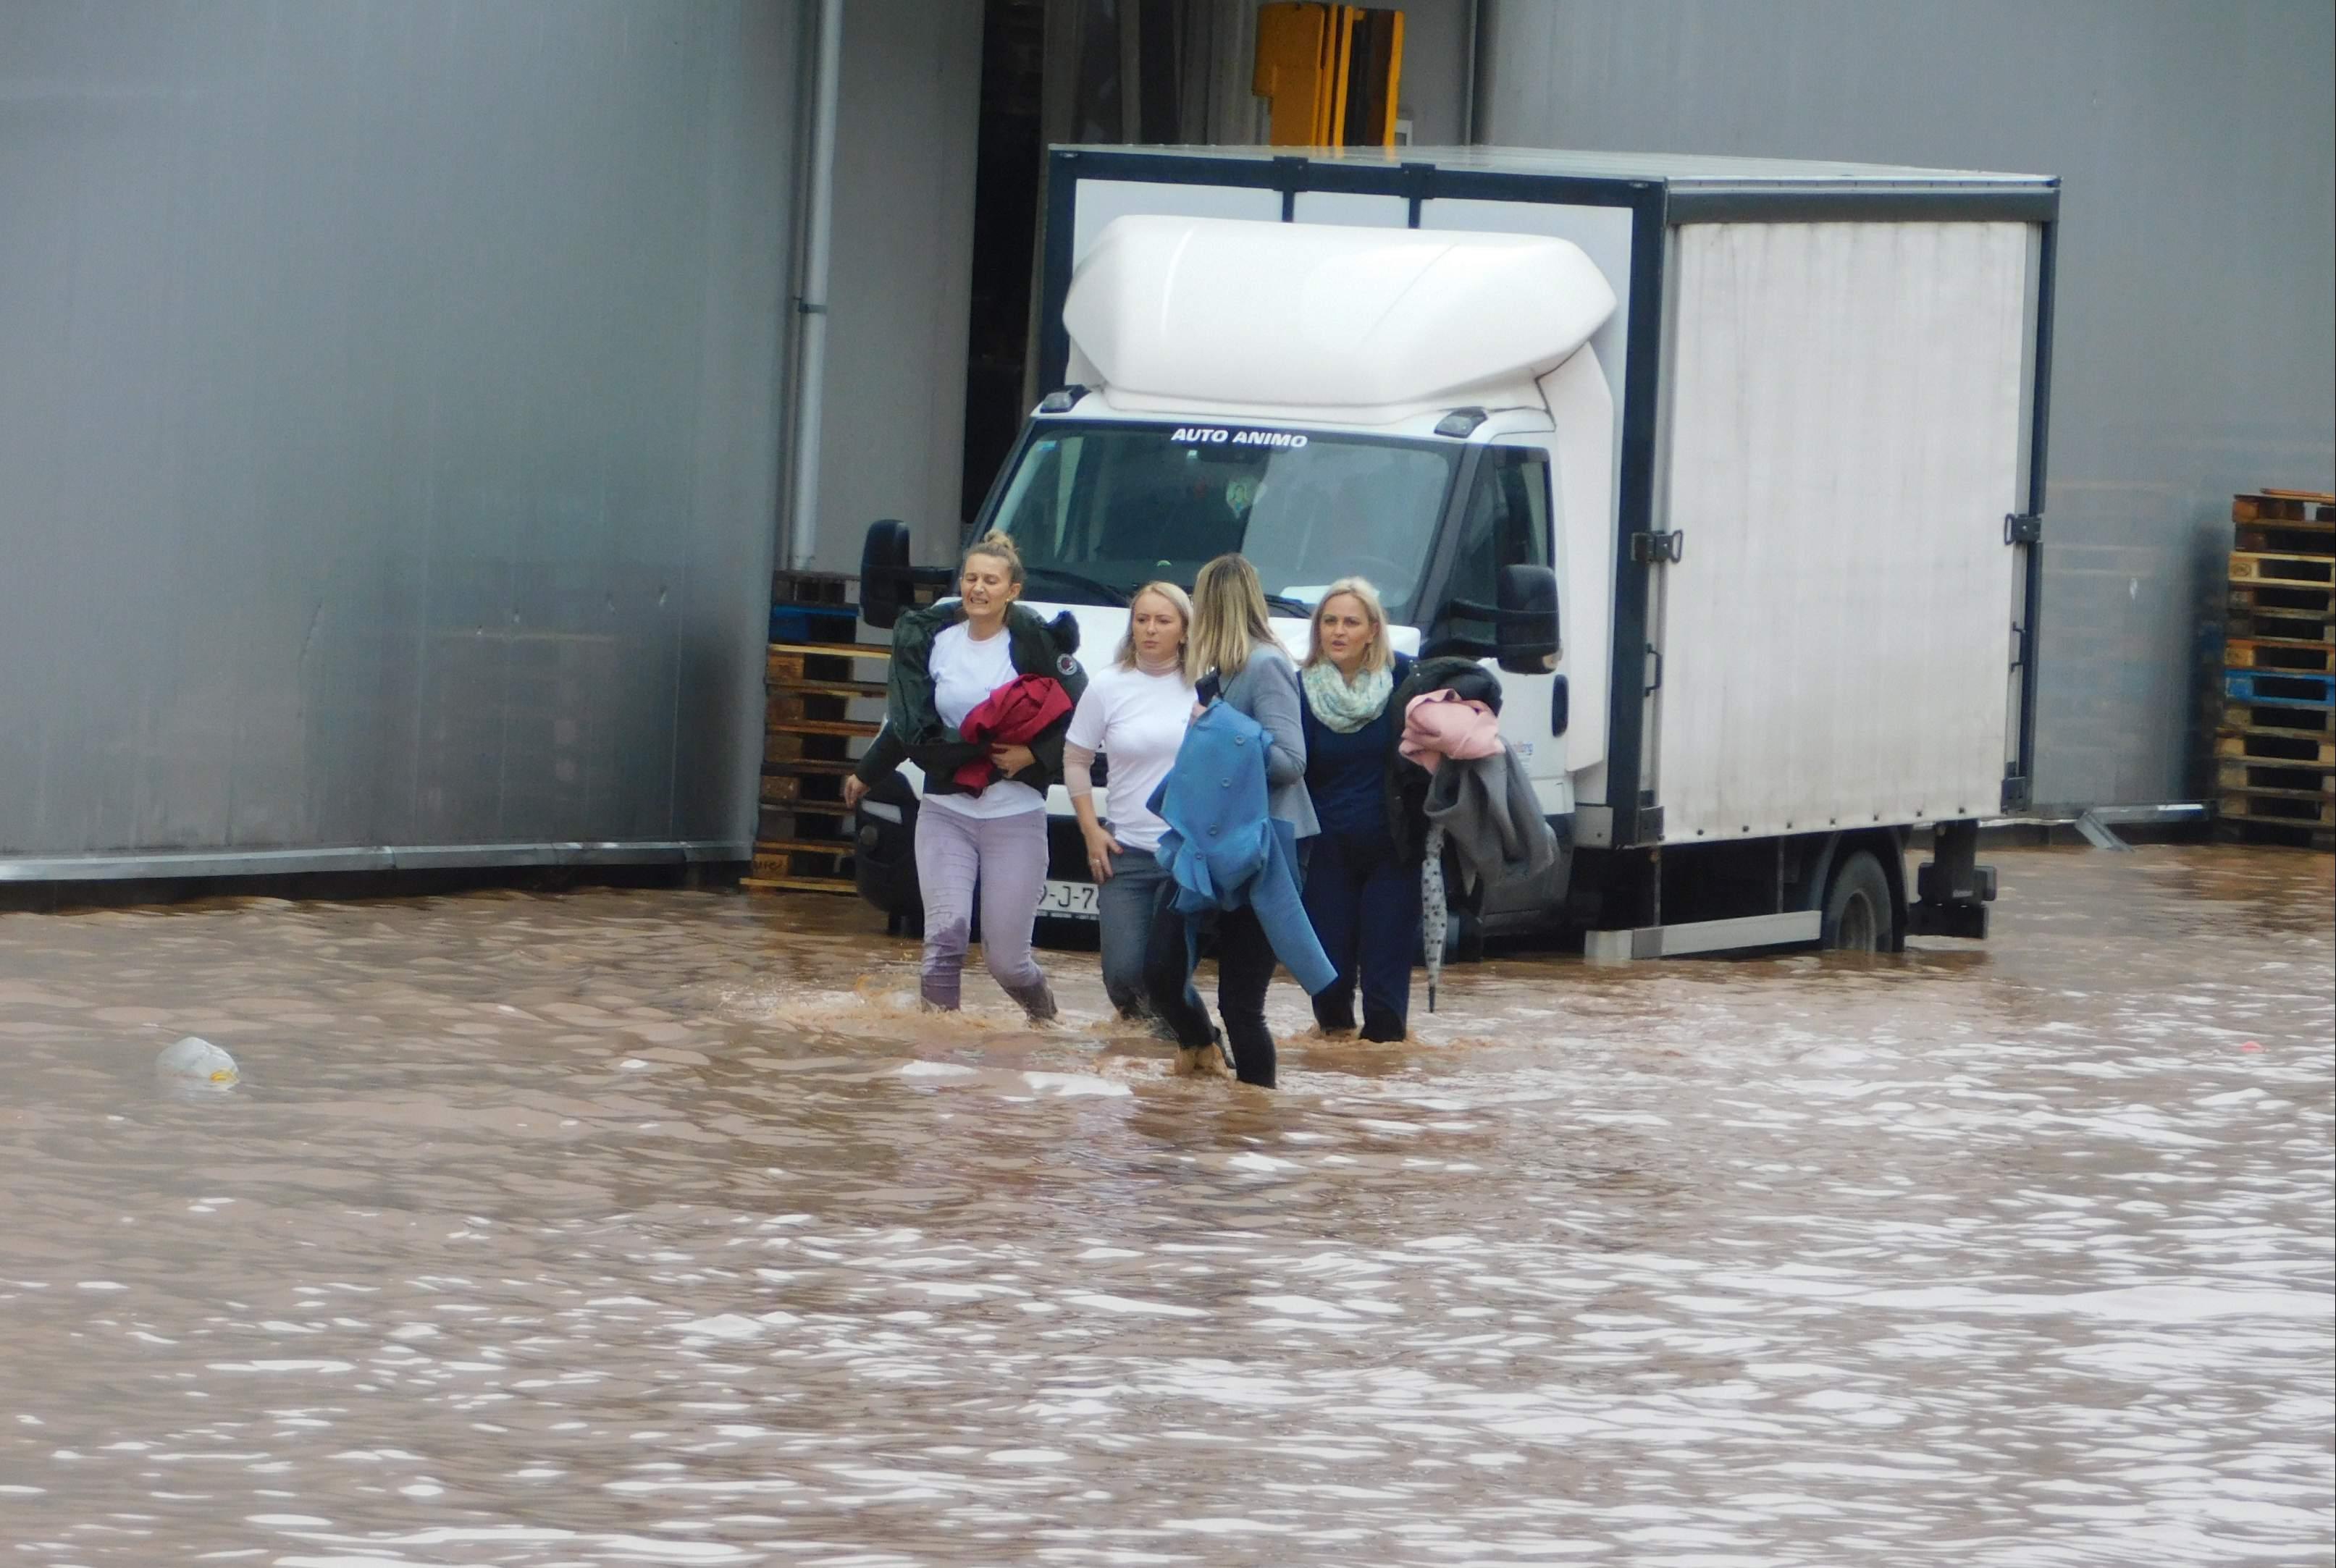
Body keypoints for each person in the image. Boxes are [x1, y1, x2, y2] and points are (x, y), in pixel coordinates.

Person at [844, 531, 1085, 1019]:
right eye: (971, 578)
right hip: (945, 810)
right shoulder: (935, 644)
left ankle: (1047, 1022)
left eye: (990, 581)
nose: (978, 588)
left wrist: (1033, 756)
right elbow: (912, 724)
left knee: (1008, 963)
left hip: (1015, 814)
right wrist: (867, 773)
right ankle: (938, 1054)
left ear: (1012, 591)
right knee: (946, 936)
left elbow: (1081, 721)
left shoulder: (1035, 645)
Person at [1143, 554, 1320, 1086]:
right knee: (1160, 969)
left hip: (1267, 849)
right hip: (1210, 843)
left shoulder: (1267, 665)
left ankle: (1252, 1127)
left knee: (1242, 1003)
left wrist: (1219, 728)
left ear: (1213, 605)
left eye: (1197, 602)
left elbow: (1291, 761)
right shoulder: (1217, 673)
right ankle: (1202, 1048)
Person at [1062, 583, 1197, 1029]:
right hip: (1126, 852)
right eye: (1142, 620)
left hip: (1186, 854)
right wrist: (1090, 829)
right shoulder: (1108, 684)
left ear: (1184, 629)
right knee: (1122, 977)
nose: (1151, 630)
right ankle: (1141, 1059)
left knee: (1165, 975)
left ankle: (1180, 1065)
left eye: (1163, 620)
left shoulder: (1205, 686)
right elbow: (1076, 759)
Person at [1297, 577, 1420, 1042]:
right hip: (1325, 854)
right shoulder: (1297, 690)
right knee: (1329, 992)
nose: (1338, 631)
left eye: (1350, 622)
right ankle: (1333, 1097)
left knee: (1385, 1007)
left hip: (1393, 853)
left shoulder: (1407, 683)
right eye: (1329, 621)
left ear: (1373, 630)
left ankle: (1380, 1097)